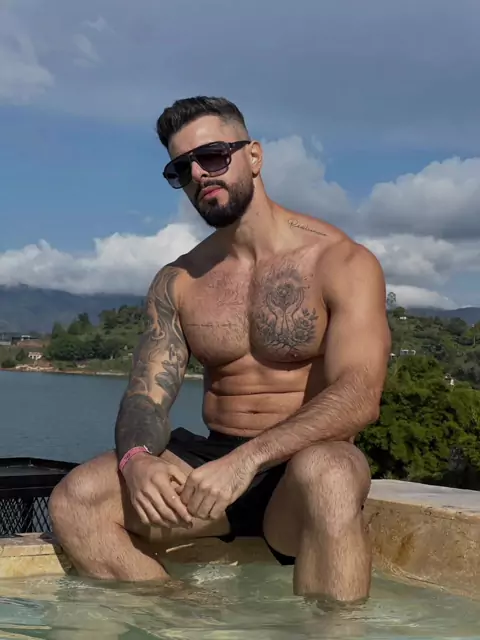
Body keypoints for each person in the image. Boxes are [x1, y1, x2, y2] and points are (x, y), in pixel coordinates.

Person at [49, 96, 391, 604]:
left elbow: (359, 395)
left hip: (302, 470)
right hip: (212, 465)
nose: (198, 175)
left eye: (212, 156)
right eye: (181, 169)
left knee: (332, 473)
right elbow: (145, 397)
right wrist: (137, 460)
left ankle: (333, 632)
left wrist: (247, 461)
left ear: (253, 156)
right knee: (75, 500)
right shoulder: (180, 280)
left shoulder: (340, 261)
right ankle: (188, 623)